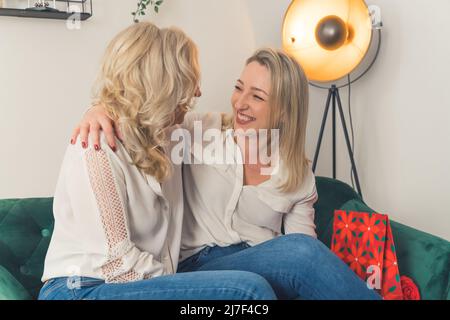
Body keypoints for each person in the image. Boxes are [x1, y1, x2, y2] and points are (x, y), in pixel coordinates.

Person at [71, 47, 381, 300]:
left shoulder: (296, 173)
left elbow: (305, 254)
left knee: (302, 252)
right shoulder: (197, 132)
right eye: (238, 88)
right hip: (194, 268)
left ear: (285, 109)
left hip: (260, 264)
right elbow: (144, 110)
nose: (240, 103)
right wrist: (97, 110)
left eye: (257, 96)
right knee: (297, 255)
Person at [39, 22, 277, 300]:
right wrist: (181, 288)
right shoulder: (96, 147)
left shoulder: (171, 134)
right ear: (161, 86)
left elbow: (229, 123)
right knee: (247, 291)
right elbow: (117, 263)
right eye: (189, 81)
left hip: (139, 280)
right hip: (82, 288)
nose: (198, 93)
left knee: (276, 266)